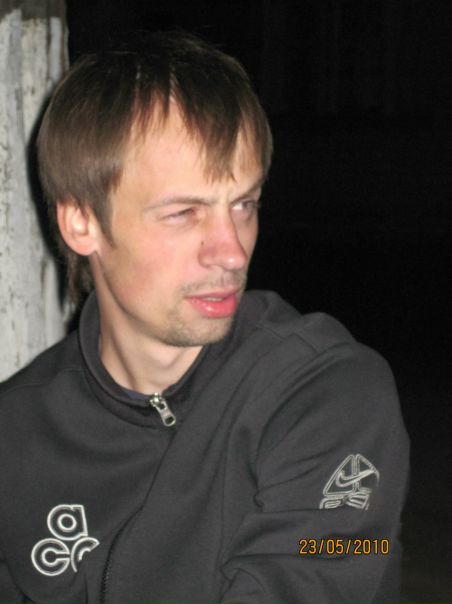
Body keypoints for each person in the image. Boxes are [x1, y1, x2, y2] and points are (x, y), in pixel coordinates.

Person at [0, 31, 409, 603]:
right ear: (81, 223)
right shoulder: (16, 435)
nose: (232, 252)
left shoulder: (329, 390)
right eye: (184, 213)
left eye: (244, 205)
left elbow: (343, 556)